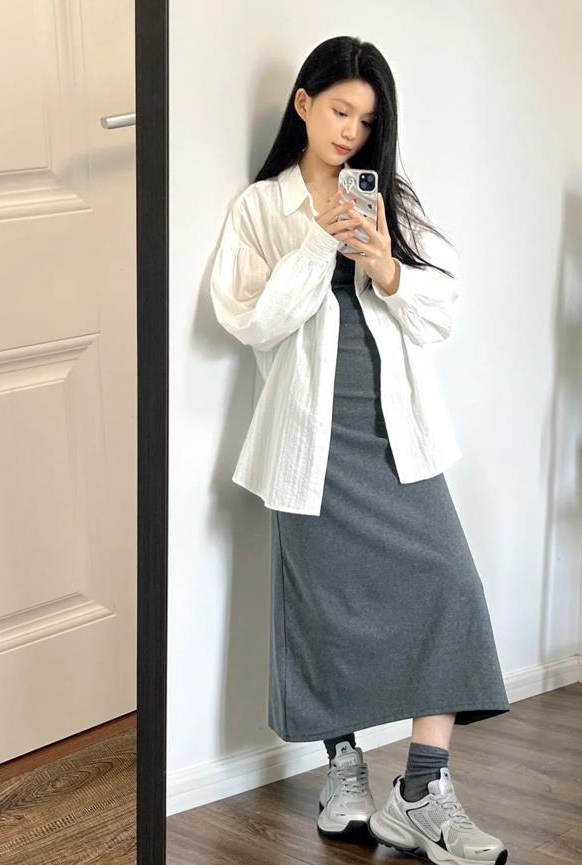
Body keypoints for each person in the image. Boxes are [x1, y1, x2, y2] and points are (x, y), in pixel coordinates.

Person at [210, 34, 510, 865]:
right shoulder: (262, 208)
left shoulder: (391, 199)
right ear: (304, 103)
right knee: (323, 611)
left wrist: (386, 266)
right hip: (306, 443)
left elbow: (442, 310)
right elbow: (251, 319)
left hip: (394, 433)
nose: (351, 130)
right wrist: (318, 241)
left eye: (367, 119)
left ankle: (421, 790)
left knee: (449, 583)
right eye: (340, 110)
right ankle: (343, 769)